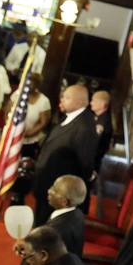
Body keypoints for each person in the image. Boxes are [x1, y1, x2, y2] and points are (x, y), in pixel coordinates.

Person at [0, 175, 87, 265]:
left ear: (64, 202)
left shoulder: (57, 230)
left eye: (55, 191)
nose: (49, 191)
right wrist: (30, 243)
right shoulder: (76, 214)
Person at [31, 84, 97, 224]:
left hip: (59, 195)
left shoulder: (84, 127)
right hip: (47, 186)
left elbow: (84, 165)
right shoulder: (69, 117)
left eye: (66, 97)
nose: (61, 100)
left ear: (79, 102)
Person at [90, 90, 113, 174]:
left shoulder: (103, 122)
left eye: (94, 101)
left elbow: (94, 143)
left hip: (93, 162)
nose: (91, 103)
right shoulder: (97, 117)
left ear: (102, 104)